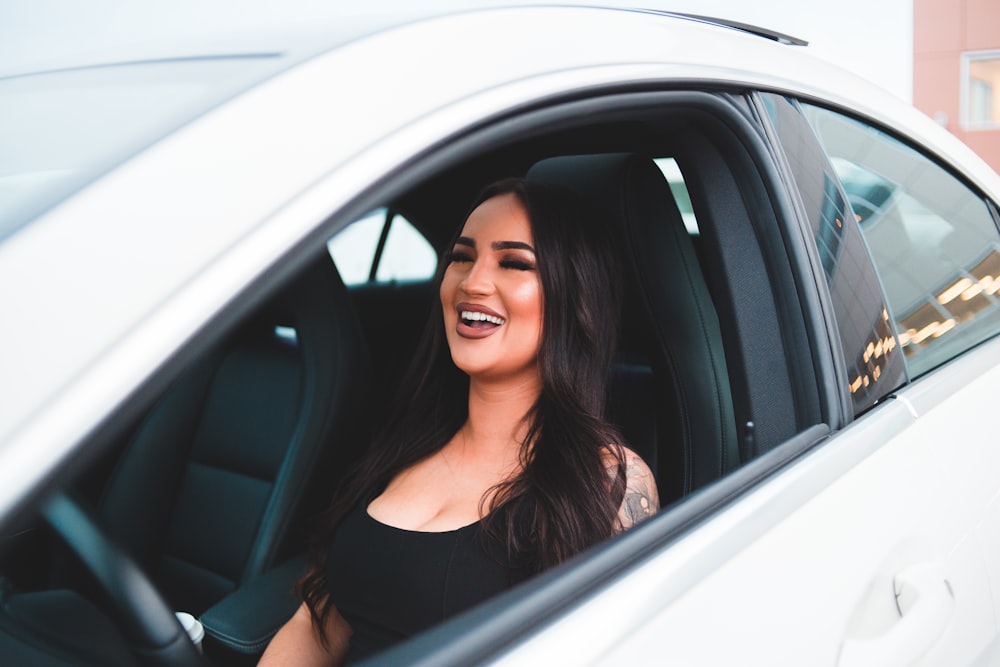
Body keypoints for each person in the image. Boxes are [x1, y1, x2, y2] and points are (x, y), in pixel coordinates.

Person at [259, 177, 659, 666]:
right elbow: (317, 623)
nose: (473, 282)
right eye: (461, 257)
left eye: (513, 263)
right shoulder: (407, 441)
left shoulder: (606, 479)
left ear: (574, 295)